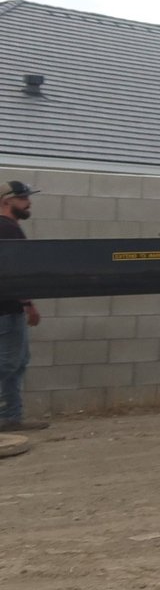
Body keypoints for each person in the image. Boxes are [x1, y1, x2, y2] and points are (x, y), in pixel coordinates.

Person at [0, 181, 48, 433]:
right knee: (8, 364)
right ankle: (8, 417)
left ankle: (11, 417)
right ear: (6, 201)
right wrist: (28, 304)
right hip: (7, 310)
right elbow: (13, 273)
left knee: (16, 363)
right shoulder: (7, 229)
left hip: (10, 309)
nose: (28, 202)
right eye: (23, 198)